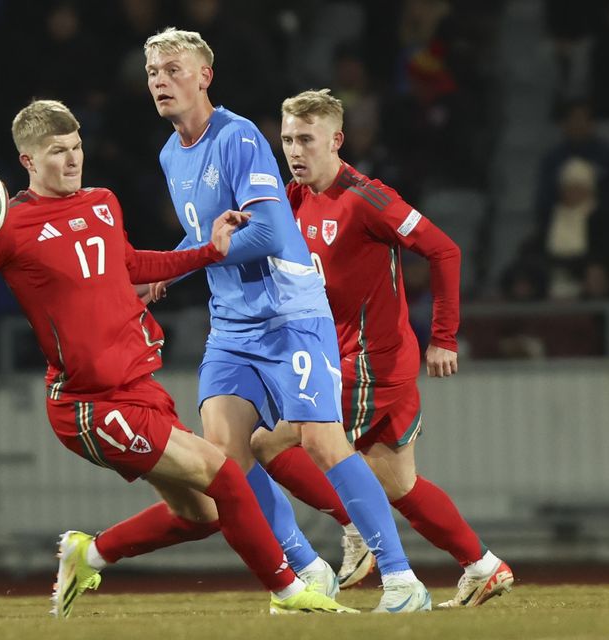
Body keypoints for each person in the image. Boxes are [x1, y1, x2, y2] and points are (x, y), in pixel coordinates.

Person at [0, 99, 354, 618]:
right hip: (89, 404)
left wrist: (210, 250)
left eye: (76, 148)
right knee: (224, 474)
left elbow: (133, 264)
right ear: (27, 160)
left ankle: (87, 553)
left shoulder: (102, 202)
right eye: (56, 152)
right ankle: (291, 592)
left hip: (139, 385)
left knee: (202, 513)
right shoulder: (7, 227)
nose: (72, 161)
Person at [129, 28, 431, 612]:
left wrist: (195, 258)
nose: (160, 81)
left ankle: (401, 580)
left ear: (203, 76)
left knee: (321, 441)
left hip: (289, 313)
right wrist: (166, 271)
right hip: (232, 326)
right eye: (152, 74)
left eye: (172, 69)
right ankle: (308, 567)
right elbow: (205, 234)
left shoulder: (238, 136)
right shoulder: (170, 153)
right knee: (226, 457)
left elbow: (266, 231)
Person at [251, 88, 514, 608]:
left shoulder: (369, 198)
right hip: (347, 358)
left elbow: (444, 249)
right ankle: (483, 566)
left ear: (337, 140)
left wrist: (443, 335)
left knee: (268, 443)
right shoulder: (293, 198)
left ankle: (353, 528)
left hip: (371, 362)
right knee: (398, 484)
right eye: (287, 140)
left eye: (306, 139)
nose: (296, 151)